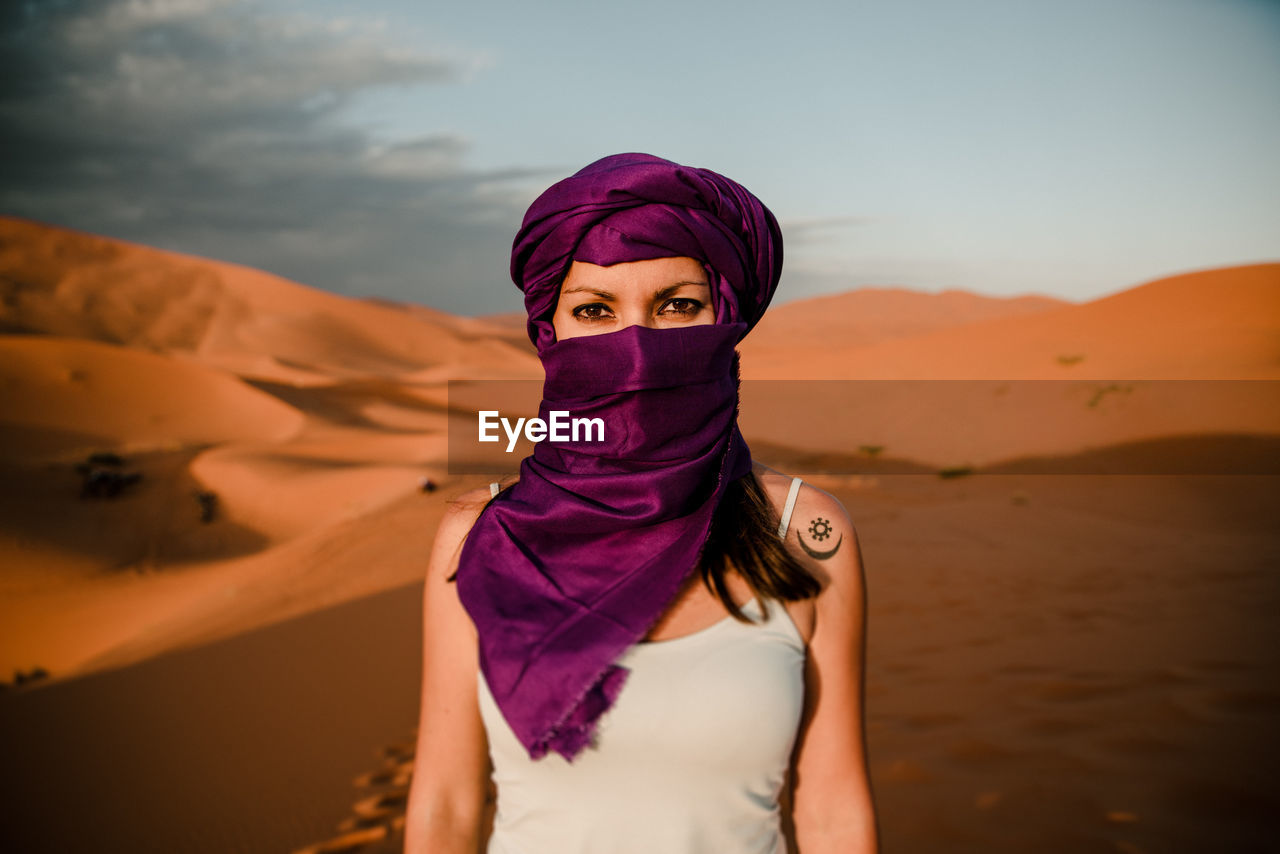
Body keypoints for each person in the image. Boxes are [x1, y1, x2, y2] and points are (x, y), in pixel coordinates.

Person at [405, 153, 878, 854]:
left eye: (679, 305)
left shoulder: (807, 531)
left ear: (727, 319)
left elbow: (834, 810)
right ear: (549, 331)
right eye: (595, 310)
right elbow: (445, 805)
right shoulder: (479, 535)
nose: (636, 346)